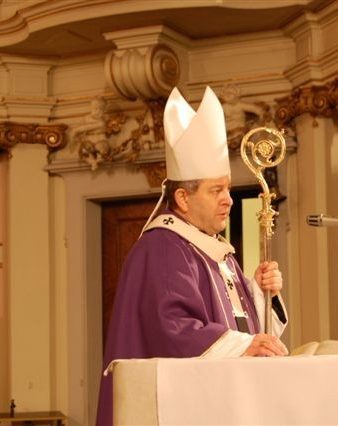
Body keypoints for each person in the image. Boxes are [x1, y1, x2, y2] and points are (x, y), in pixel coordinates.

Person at [96, 86, 288, 425]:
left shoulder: (215, 250)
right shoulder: (163, 248)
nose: (228, 199)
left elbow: (242, 329)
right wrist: (244, 346)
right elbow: (173, 331)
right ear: (183, 199)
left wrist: (260, 293)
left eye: (228, 188)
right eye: (216, 190)